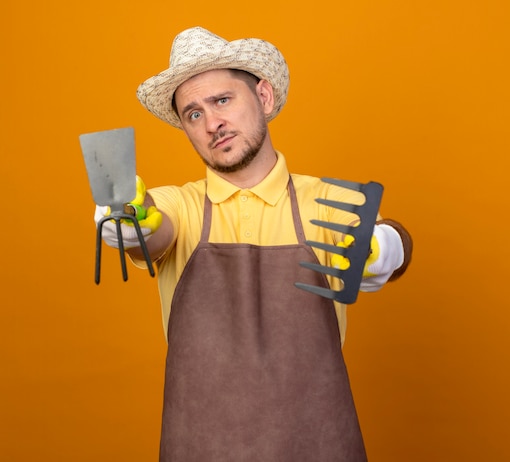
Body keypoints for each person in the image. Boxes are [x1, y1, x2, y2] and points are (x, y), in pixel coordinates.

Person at [94, 26, 412, 462]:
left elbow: (384, 237)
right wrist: (133, 222)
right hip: (200, 447)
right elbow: (154, 229)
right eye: (193, 113)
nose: (212, 124)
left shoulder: (325, 200)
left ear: (263, 97)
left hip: (317, 444)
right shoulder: (180, 206)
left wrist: (388, 246)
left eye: (222, 100)